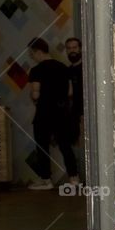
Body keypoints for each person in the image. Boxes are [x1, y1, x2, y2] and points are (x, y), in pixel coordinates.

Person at [26, 37, 79, 190]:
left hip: (43, 113)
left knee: (42, 146)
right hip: (62, 113)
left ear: (37, 51)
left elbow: (36, 94)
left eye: (31, 54)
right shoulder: (63, 67)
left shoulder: (36, 70)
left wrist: (34, 98)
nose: (31, 57)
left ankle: (46, 180)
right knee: (65, 146)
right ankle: (74, 178)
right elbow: (70, 92)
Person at [65, 37, 84, 147]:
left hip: (86, 116)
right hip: (73, 118)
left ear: (80, 49)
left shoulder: (87, 68)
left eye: (74, 48)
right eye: (69, 48)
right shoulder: (67, 71)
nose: (72, 50)